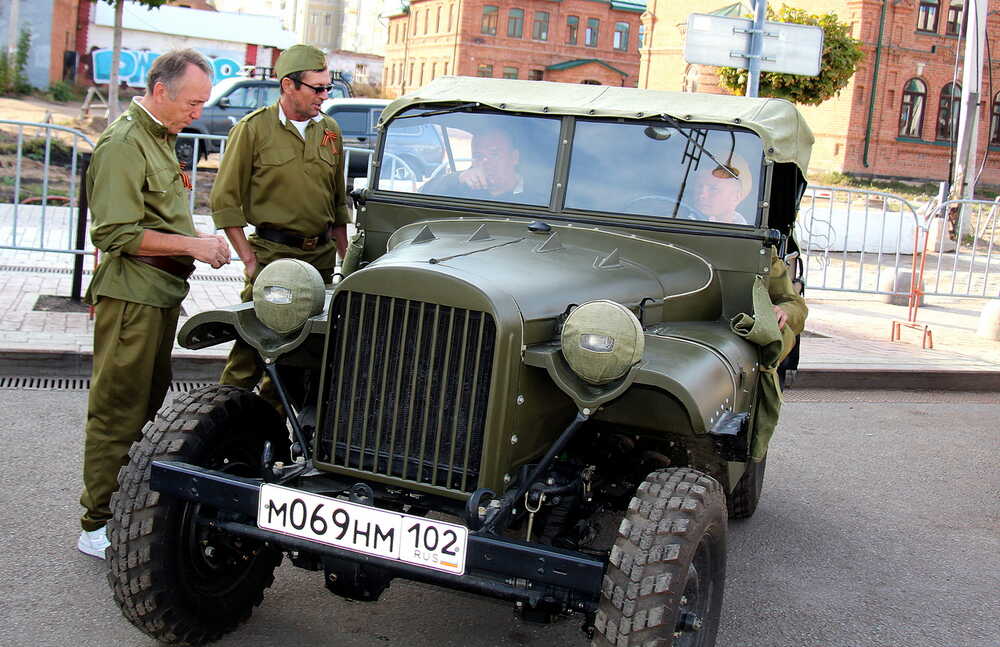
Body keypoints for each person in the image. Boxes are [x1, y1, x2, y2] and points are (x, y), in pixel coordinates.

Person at [78, 49, 231, 559]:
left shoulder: (160, 139)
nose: (198, 113)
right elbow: (115, 232)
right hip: (132, 296)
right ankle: (97, 524)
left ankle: (122, 509)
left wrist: (197, 239)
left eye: (203, 103)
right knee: (118, 411)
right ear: (160, 90)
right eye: (192, 102)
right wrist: (192, 246)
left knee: (145, 406)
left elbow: (160, 215)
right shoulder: (125, 144)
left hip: (158, 293)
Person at [210, 44, 350, 406]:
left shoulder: (330, 130)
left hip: (319, 263)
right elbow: (224, 201)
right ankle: (222, 423)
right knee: (250, 352)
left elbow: (338, 203)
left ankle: (273, 431)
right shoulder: (253, 130)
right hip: (272, 259)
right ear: (289, 85)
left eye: (328, 87)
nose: (325, 95)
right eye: (317, 88)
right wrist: (249, 260)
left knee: (297, 362)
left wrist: (345, 259)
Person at [421, 128, 545, 203]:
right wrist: (458, 178)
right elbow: (423, 195)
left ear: (514, 157)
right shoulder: (462, 188)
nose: (485, 162)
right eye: (478, 156)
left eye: (494, 154)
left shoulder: (539, 196)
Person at [689, 154, 754, 225]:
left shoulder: (746, 231)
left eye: (713, 189)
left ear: (736, 197)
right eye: (699, 186)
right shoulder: (681, 218)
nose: (701, 195)